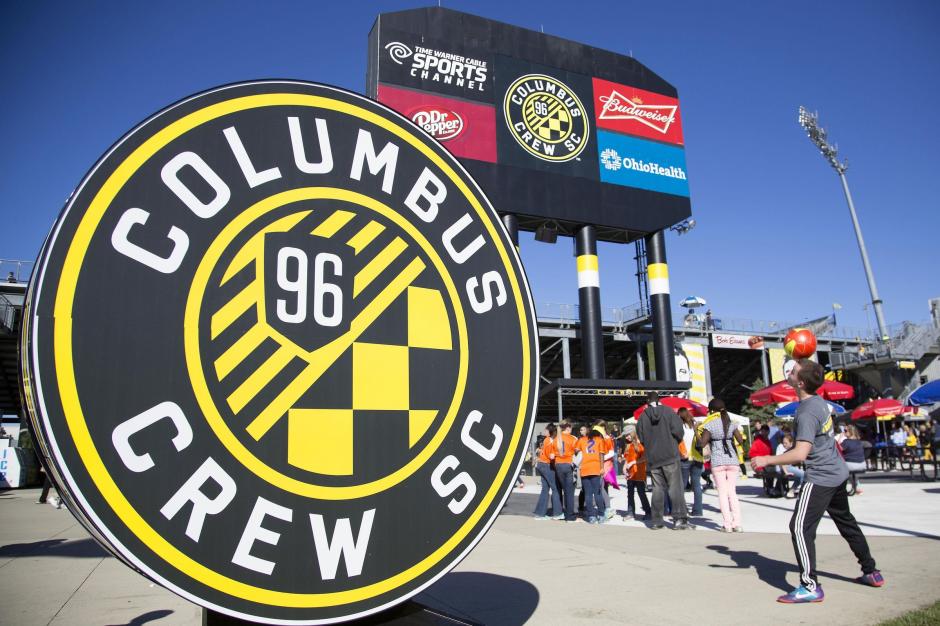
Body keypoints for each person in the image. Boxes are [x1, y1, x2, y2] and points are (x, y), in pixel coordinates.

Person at [751, 358, 882, 604]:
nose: (789, 372)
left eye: (794, 371)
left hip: (821, 477)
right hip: (837, 473)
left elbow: (800, 454)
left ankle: (809, 586)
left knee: (800, 528)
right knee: (847, 523)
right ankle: (871, 571)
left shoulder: (806, 412)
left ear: (799, 382)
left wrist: (767, 459)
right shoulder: (820, 403)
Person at [636, 392, 691, 530]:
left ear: (647, 402)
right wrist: (672, 442)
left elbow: (641, 438)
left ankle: (656, 521)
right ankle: (679, 519)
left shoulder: (642, 417)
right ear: (658, 400)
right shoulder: (669, 412)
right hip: (670, 455)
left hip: (653, 458)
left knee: (657, 489)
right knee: (675, 488)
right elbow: (679, 431)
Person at [698, 398, 744, 532]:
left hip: (718, 461)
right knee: (732, 493)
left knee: (722, 493)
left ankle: (727, 525)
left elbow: (702, 444)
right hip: (732, 461)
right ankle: (738, 524)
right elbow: (741, 441)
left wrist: (697, 431)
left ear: (712, 411)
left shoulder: (710, 424)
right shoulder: (732, 423)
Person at [574, 423, 613, 523]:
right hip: (596, 468)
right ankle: (600, 515)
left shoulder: (582, 440)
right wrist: (601, 468)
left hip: (585, 469)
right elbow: (601, 454)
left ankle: (591, 516)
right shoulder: (599, 440)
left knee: (588, 494)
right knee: (597, 493)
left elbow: (576, 451)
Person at [533, 425, 562, 520]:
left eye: (545, 429)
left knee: (545, 489)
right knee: (555, 488)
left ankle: (540, 513)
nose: (544, 431)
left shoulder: (546, 440)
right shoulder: (550, 440)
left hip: (541, 464)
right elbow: (551, 456)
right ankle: (557, 513)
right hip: (547, 465)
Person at [553, 421, 579, 522]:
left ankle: (564, 513)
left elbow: (552, 454)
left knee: (564, 490)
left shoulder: (556, 439)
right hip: (568, 465)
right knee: (569, 492)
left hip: (558, 465)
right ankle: (570, 516)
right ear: (568, 428)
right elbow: (577, 451)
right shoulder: (572, 438)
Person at [681, 409, 705, 516]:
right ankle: (698, 510)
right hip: (698, 458)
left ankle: (683, 509)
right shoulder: (698, 426)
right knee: (696, 485)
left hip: (685, 458)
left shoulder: (681, 428)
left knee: (682, 486)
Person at [622, 430, 650, 520]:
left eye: (628, 435)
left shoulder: (639, 444)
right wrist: (624, 468)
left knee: (641, 493)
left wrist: (633, 462)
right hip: (630, 474)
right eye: (626, 436)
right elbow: (626, 460)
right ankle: (630, 512)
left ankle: (648, 512)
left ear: (633, 433)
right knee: (629, 494)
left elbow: (645, 457)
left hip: (639, 473)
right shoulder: (627, 446)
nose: (627, 437)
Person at [776, 433, 805, 498]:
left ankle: (791, 491)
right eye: (783, 443)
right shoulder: (781, 448)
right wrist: (786, 472)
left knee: (799, 477)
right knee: (804, 475)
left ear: (791, 443)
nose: (784, 444)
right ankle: (802, 492)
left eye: (786, 443)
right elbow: (781, 462)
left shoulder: (791, 449)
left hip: (787, 467)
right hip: (784, 468)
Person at [842, 425, 867, 495]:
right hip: (862, 464)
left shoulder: (846, 442)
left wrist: (840, 437)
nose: (844, 432)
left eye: (845, 431)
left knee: (839, 469)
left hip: (850, 465)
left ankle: (840, 489)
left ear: (850, 432)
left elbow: (838, 450)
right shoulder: (859, 442)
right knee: (851, 473)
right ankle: (856, 487)